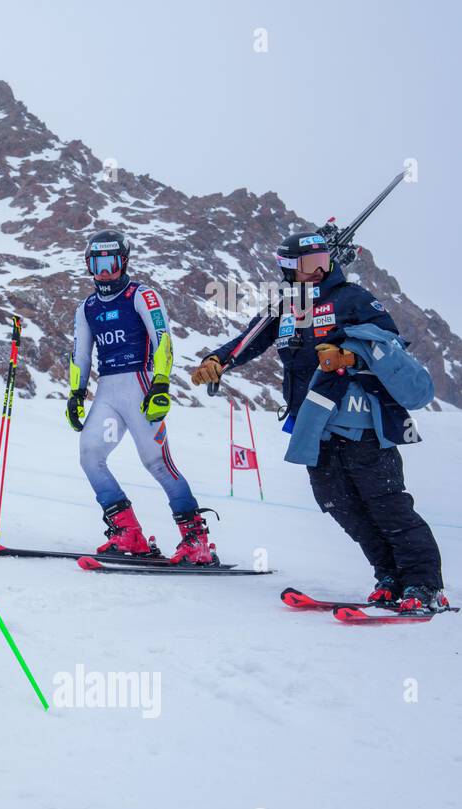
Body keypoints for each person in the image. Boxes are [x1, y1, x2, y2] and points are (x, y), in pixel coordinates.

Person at [191, 232, 447, 613]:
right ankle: (389, 576)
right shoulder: (285, 307)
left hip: (358, 422)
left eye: (320, 263)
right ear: (287, 270)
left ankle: (424, 585)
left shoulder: (352, 298)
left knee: (386, 504)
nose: (315, 272)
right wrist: (218, 360)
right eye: (303, 266)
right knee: (339, 504)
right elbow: (249, 340)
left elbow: (389, 344)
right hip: (313, 425)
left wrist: (349, 357)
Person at [67, 230, 217, 563]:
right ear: (89, 265)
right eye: (97, 264)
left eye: (112, 263)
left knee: (156, 463)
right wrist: (75, 392)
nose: (105, 272)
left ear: (124, 262)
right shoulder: (87, 307)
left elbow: (162, 339)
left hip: (141, 385)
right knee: (90, 456)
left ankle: (197, 542)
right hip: (107, 391)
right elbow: (80, 353)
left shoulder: (142, 295)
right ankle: (128, 533)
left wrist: (161, 384)